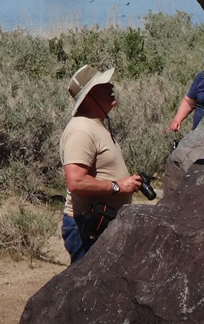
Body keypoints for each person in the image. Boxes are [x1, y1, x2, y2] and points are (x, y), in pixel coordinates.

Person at [60, 65, 143, 262]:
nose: (111, 86)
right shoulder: (81, 130)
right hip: (88, 226)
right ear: (89, 97)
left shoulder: (94, 125)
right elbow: (75, 181)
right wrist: (118, 186)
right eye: (103, 84)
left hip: (101, 223)